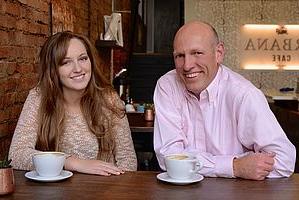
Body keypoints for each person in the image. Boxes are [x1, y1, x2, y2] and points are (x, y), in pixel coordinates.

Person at [153, 20, 296, 180]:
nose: (187, 65)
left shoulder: (244, 94)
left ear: (218, 53)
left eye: (197, 53)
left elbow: (285, 161)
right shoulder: (167, 85)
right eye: (180, 56)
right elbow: (168, 158)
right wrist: (234, 166)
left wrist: (193, 161)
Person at [9, 31, 137, 176]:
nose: (78, 69)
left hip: (105, 190)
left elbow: (128, 160)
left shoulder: (109, 99)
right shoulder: (39, 98)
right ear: (53, 70)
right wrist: (73, 163)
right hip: (55, 192)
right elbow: (16, 155)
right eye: (66, 62)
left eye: (83, 59)